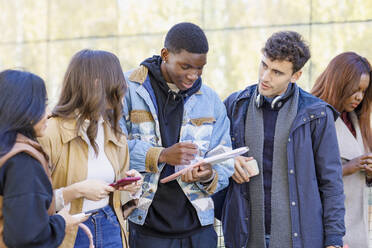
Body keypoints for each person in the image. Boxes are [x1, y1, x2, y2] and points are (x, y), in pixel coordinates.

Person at [213, 31, 345, 248]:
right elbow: (209, 155)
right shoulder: (235, 106)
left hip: (301, 239)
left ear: (296, 76)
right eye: (264, 65)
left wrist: (334, 240)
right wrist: (228, 163)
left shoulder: (317, 115)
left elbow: (331, 183)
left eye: (277, 72)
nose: (265, 77)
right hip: (244, 237)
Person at [120, 22, 234, 248]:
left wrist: (208, 174)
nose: (193, 75)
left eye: (200, 68)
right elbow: (113, 150)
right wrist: (160, 155)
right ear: (165, 55)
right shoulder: (127, 89)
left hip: (199, 230)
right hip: (146, 228)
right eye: (185, 66)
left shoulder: (210, 100)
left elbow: (225, 159)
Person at [38, 49, 142, 248]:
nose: (123, 90)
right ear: (96, 84)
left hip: (110, 225)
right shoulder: (50, 132)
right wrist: (77, 191)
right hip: (67, 231)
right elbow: (30, 201)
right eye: (118, 83)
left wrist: (131, 188)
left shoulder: (114, 131)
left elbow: (119, 201)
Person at [0, 69, 85, 247]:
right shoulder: (22, 161)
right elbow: (27, 236)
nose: (49, 113)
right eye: (43, 104)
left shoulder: (7, 150)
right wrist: (61, 222)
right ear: (22, 108)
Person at [311, 52, 372, 248]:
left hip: (359, 228)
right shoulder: (314, 116)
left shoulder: (356, 119)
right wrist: (348, 167)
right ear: (339, 82)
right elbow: (305, 176)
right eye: (355, 89)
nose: (359, 97)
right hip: (329, 229)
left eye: (363, 91)